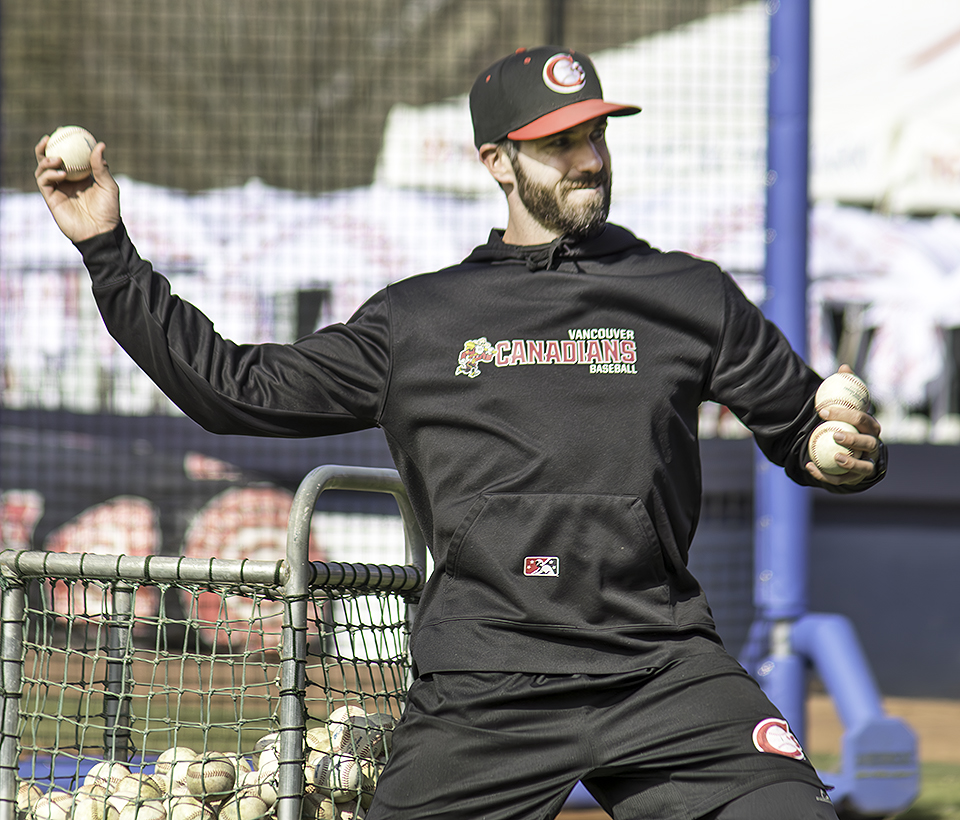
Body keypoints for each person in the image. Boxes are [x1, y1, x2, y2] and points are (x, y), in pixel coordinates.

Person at [36, 45, 885, 820]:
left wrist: (835, 451)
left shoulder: (687, 293)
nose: (589, 159)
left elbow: (805, 425)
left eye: (595, 134)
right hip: (487, 684)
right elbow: (236, 389)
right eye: (561, 143)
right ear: (498, 161)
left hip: (660, 668)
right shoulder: (422, 318)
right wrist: (107, 248)